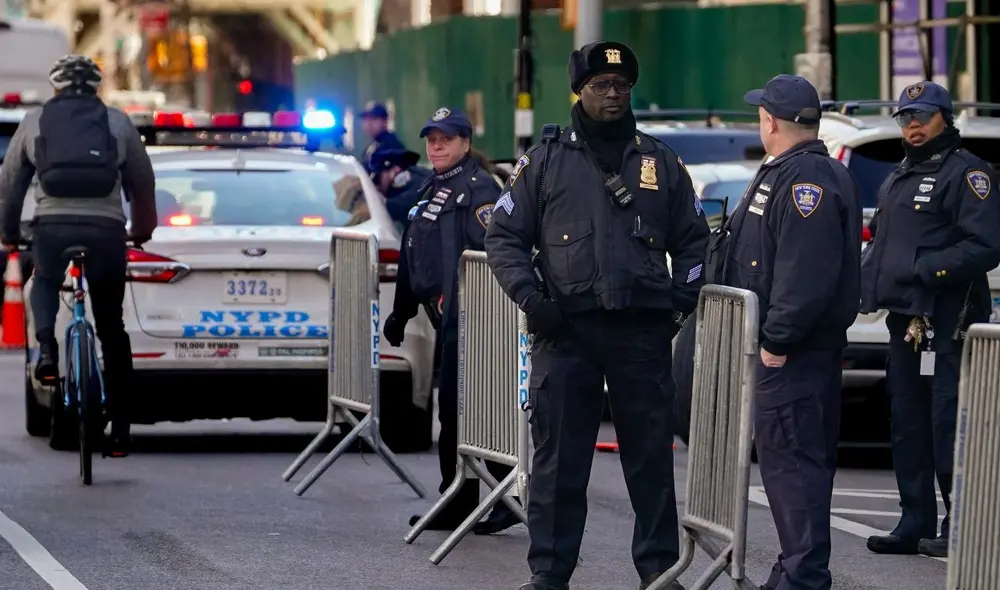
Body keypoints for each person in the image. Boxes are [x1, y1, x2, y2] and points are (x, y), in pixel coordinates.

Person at [485, 41, 709, 590]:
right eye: (601, 87)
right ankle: (550, 572)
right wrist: (534, 302)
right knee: (559, 464)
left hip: (641, 335)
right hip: (568, 336)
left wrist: (681, 302)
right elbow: (504, 238)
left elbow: (696, 241)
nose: (612, 95)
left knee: (651, 463)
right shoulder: (545, 163)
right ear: (579, 92)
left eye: (621, 87)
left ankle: (659, 570)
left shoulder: (659, 161)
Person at [719, 74, 861, 590]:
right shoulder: (787, 171)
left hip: (796, 353)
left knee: (796, 467)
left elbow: (805, 274)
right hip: (789, 349)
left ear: (770, 120)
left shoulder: (808, 181)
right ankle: (794, 568)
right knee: (788, 468)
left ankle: (803, 576)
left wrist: (776, 341)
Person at [861, 81, 1000, 559]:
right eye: (906, 117)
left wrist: (925, 269)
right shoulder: (901, 173)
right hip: (907, 321)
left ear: (945, 117)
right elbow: (883, 240)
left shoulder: (967, 174)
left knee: (949, 421)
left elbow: (985, 245)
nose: (913, 125)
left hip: (949, 318)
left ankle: (959, 520)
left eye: (922, 115)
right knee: (909, 421)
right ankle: (913, 518)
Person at [0, 54, 157, 456]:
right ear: (96, 87)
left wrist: (9, 235)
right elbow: (142, 180)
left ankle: (47, 351)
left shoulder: (35, 121)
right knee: (112, 329)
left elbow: (11, 182)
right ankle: (120, 430)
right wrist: (142, 229)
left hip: (52, 228)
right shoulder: (118, 121)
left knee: (45, 280)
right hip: (105, 233)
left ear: (55, 87)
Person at [382, 107, 519, 535]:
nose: (436, 145)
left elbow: (496, 257)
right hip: (447, 321)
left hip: (479, 320)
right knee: (453, 412)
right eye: (431, 138)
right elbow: (413, 252)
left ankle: (504, 499)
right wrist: (401, 311)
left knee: (481, 410)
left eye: (446, 138)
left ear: (465, 141)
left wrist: (489, 319)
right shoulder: (433, 185)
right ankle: (456, 498)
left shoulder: (479, 190)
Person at [366, 146, 432, 229]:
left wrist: (383, 204)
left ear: (394, 169)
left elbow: (414, 198)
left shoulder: (413, 180)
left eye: (377, 179)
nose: (377, 186)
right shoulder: (418, 172)